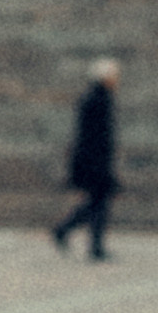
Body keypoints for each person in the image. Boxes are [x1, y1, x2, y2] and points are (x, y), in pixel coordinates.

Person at [53, 59, 119, 258]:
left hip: (91, 160)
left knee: (96, 202)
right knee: (98, 202)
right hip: (94, 161)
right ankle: (91, 245)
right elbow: (94, 137)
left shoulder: (94, 97)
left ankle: (67, 231)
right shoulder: (98, 100)